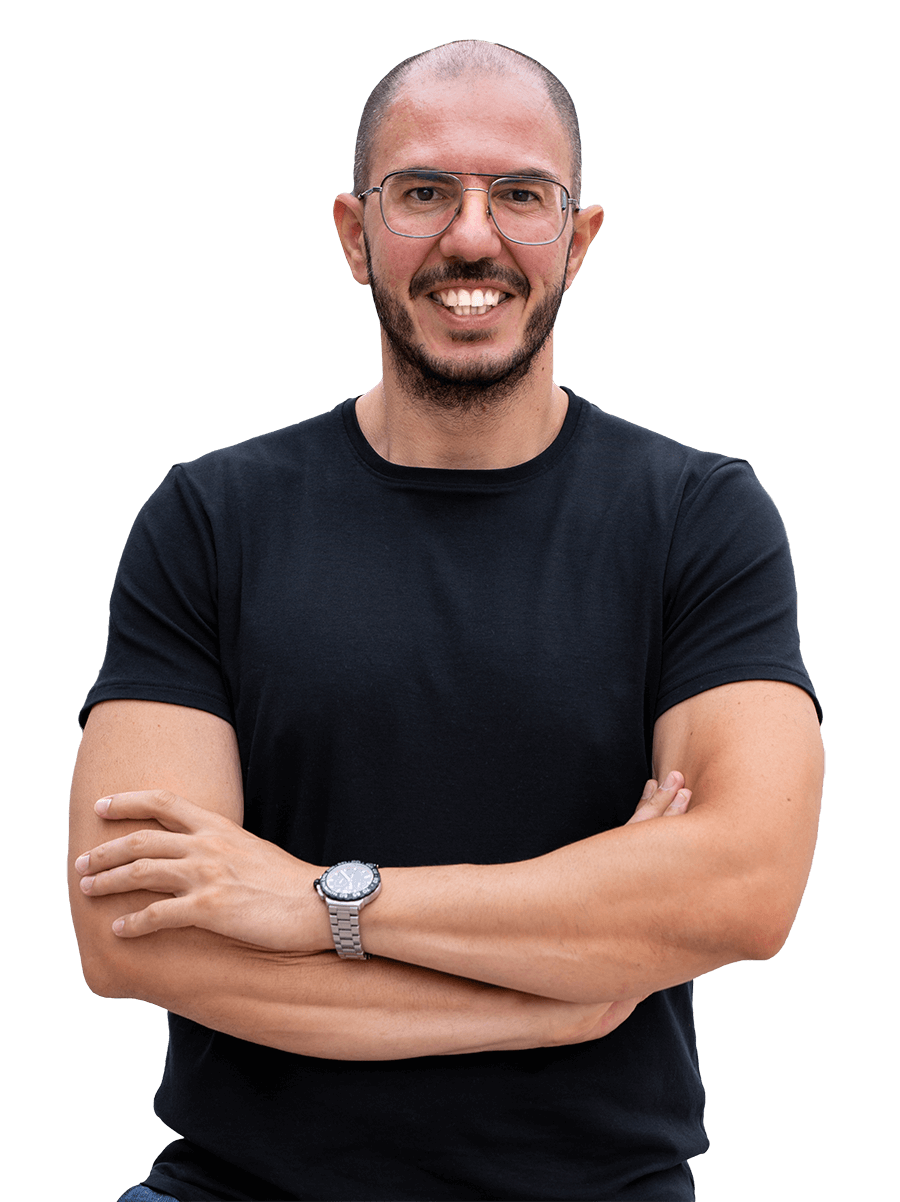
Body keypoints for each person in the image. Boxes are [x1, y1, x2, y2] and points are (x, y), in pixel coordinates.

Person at [68, 39, 824, 1202]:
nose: (473, 238)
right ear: (353, 233)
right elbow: (131, 930)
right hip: (238, 1186)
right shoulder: (208, 515)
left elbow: (742, 889)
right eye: (423, 192)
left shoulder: (699, 514)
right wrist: (554, 994)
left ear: (578, 241)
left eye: (521, 195)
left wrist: (321, 898)